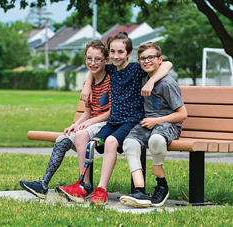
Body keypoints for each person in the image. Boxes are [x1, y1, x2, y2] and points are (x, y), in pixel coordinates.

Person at [57, 32, 173, 205]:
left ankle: (101, 190)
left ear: (129, 53)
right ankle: (83, 185)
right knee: (91, 142)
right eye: (112, 52)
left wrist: (150, 82)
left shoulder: (135, 68)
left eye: (120, 52)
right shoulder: (111, 68)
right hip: (113, 122)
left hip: (131, 121)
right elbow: (94, 69)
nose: (115, 56)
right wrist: (88, 85)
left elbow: (167, 64)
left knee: (111, 142)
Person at [20, 40, 111, 199]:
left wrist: (87, 123)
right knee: (63, 139)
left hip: (105, 124)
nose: (93, 63)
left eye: (97, 59)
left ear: (106, 61)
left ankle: (84, 185)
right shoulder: (87, 84)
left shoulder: (111, 80)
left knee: (83, 134)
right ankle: (43, 184)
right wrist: (75, 125)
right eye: (89, 59)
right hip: (90, 123)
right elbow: (87, 112)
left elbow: (112, 112)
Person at [119, 42, 187, 208]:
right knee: (129, 143)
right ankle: (139, 190)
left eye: (151, 57)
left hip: (168, 124)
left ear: (159, 59)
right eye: (143, 58)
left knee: (156, 140)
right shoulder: (142, 77)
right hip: (148, 122)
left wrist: (156, 121)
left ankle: (161, 183)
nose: (147, 61)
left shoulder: (167, 84)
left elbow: (182, 114)